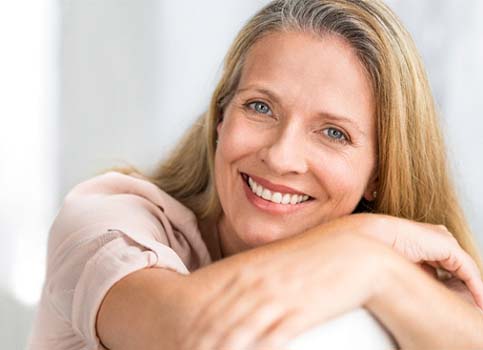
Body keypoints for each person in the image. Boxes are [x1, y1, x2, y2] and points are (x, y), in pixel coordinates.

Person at [29, 0, 483, 349]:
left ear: (379, 174)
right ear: (220, 118)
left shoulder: (388, 269)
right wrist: (362, 252)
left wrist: (373, 267)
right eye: (260, 107)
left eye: (333, 133)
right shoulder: (106, 225)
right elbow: (194, 334)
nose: (282, 157)